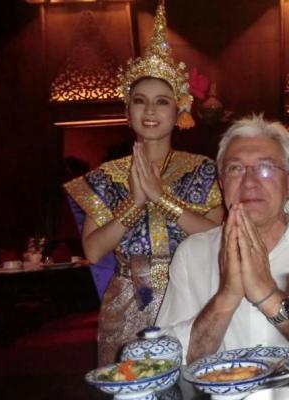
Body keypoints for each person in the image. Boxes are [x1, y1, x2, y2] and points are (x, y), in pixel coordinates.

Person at [63, 0, 223, 366]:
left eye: (161, 102)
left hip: (192, 294)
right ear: (127, 110)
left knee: (195, 380)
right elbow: (93, 250)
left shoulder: (203, 170)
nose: (150, 111)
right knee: (131, 382)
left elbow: (218, 236)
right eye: (140, 101)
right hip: (128, 301)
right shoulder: (105, 176)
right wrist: (135, 202)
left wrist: (161, 199)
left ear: (179, 110)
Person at [156, 115, 289, 363]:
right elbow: (166, 360)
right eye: (236, 169)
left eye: (265, 168)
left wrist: (268, 295)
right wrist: (226, 298)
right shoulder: (192, 253)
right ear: (222, 183)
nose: (249, 182)